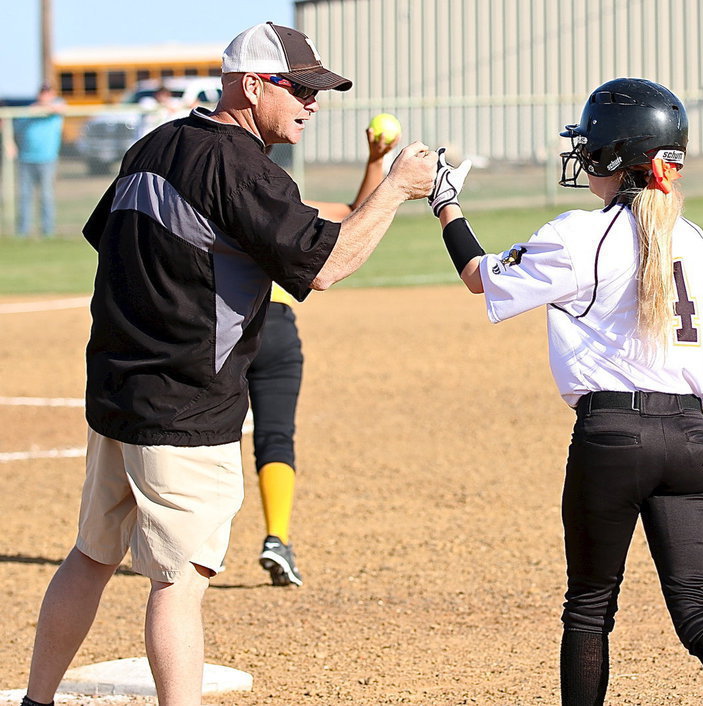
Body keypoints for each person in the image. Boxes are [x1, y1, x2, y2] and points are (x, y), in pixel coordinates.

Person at [20, 21, 435, 706]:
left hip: (118, 392)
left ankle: (37, 702)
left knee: (91, 557)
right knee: (178, 583)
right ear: (251, 84)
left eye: (317, 90)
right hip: (187, 405)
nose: (312, 102)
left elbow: (111, 242)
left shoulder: (155, 145)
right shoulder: (241, 166)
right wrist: (394, 189)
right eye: (300, 87)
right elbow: (327, 266)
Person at [429, 78, 703, 706]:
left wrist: (445, 203)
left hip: (613, 433)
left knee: (589, 610)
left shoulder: (578, 234)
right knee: (701, 610)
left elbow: (482, 279)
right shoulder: (694, 241)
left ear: (615, 155)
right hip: (693, 438)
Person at [251, 127, 400, 587]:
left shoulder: (216, 209)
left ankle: (169, 537)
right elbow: (358, 214)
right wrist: (377, 159)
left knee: (193, 436)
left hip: (223, 330)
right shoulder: (291, 213)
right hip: (276, 328)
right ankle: (277, 537)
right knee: (275, 436)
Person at [13, 84, 65, 237]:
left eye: (48, 92)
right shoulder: (29, 110)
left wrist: (45, 107)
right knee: (24, 196)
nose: (45, 95)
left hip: (47, 160)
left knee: (46, 196)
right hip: (26, 159)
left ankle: (48, 231)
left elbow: (61, 107)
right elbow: (15, 127)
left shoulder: (57, 107)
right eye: (43, 92)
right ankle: (22, 232)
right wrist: (34, 109)